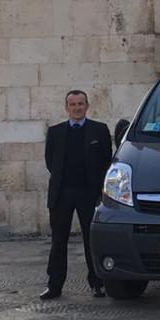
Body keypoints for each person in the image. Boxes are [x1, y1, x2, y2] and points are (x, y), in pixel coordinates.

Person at [41, 90, 112, 300]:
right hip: (62, 193)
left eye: (80, 103)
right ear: (66, 108)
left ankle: (97, 283)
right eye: (72, 104)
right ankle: (54, 285)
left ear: (87, 106)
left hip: (89, 193)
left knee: (92, 240)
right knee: (58, 241)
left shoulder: (100, 130)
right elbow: (50, 162)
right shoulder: (55, 132)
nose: (77, 108)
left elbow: (106, 160)